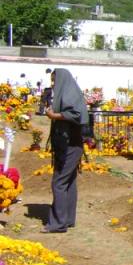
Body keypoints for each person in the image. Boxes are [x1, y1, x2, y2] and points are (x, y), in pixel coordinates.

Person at [42, 68, 89, 233]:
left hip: (71, 144)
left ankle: (58, 223)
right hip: (70, 144)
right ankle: (67, 219)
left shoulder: (70, 94)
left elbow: (75, 115)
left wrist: (54, 116)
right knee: (68, 181)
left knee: (59, 182)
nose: (53, 84)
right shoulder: (69, 93)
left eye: (54, 81)